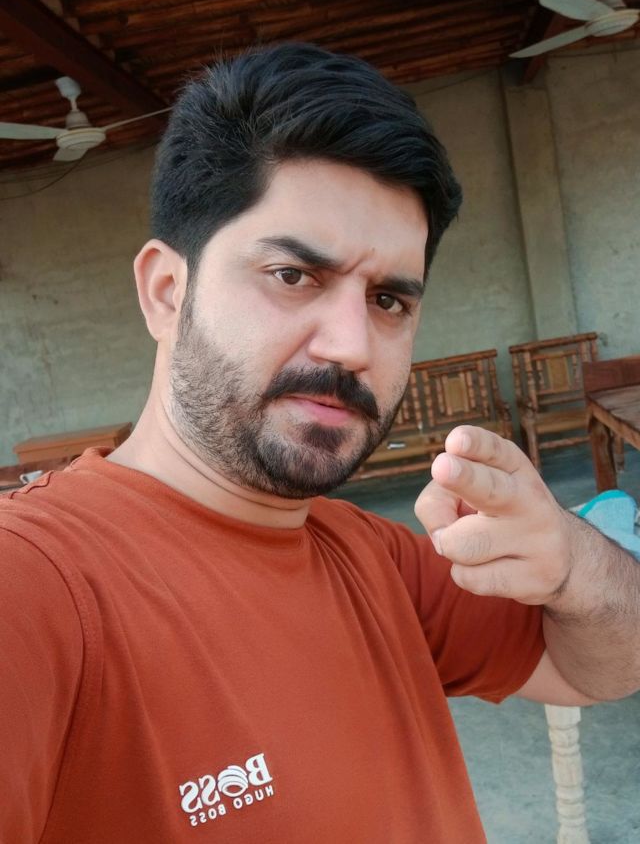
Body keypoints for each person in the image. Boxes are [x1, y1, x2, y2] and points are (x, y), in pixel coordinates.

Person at [1, 42, 638, 844]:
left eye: (388, 300)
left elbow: (596, 667)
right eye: (293, 276)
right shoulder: (36, 588)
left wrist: (573, 562)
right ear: (166, 293)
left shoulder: (378, 560)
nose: (351, 346)